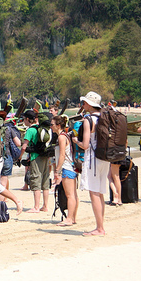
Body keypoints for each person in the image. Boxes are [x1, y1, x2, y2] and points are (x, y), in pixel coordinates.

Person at [72, 91, 109, 237]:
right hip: (105, 157)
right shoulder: (104, 117)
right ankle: (101, 225)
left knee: (94, 193)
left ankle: (100, 228)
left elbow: (86, 145)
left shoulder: (88, 120)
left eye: (84, 103)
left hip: (93, 159)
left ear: (89, 104)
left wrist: (76, 141)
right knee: (100, 193)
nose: (83, 105)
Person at [20, 110, 50, 213]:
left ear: (28, 119)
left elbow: (24, 146)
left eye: (24, 119)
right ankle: (45, 206)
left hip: (35, 157)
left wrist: (20, 157)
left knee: (36, 180)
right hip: (45, 156)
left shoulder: (30, 130)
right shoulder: (39, 128)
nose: (23, 121)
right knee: (45, 180)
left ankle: (36, 207)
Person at [51, 115, 78, 226]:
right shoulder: (65, 135)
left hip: (67, 167)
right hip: (71, 167)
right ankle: (73, 218)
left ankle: (69, 219)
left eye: (52, 125)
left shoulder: (62, 137)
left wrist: (57, 170)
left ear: (58, 125)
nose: (51, 127)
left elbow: (62, 155)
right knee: (73, 194)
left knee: (70, 195)